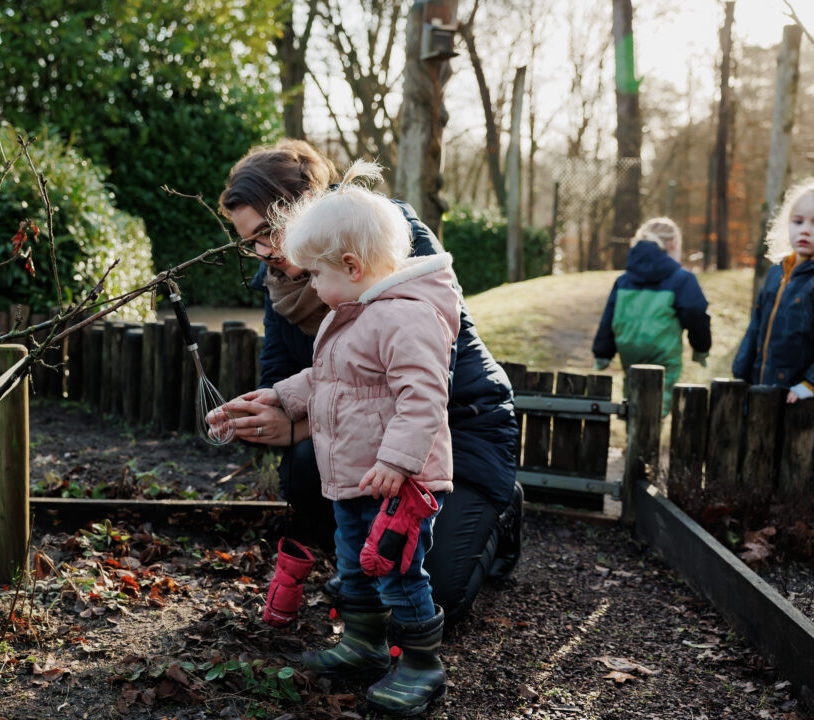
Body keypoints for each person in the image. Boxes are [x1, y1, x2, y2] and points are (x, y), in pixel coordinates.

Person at [216, 139, 521, 626]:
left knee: (430, 593)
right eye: (247, 241)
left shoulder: (383, 231)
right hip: (374, 437)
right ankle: (357, 554)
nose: (261, 251)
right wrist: (270, 412)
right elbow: (282, 376)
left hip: (456, 428)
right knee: (304, 467)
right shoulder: (280, 283)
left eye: (267, 232)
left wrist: (303, 422)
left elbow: (428, 380)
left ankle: (501, 512)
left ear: (307, 210)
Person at [237, 161, 454, 715]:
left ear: (351, 265)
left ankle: (422, 667)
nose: (309, 285)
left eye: (315, 276)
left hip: (397, 486)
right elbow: (326, 378)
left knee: (400, 572)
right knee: (356, 566)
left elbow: (424, 398)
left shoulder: (406, 319)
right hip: (357, 479)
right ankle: (363, 645)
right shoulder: (356, 315)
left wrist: (399, 462)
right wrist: (283, 397)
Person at [591, 217, 711, 415]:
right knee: (659, 400)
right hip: (663, 353)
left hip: (630, 350)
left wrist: (602, 353)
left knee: (633, 391)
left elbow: (609, 316)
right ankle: (648, 434)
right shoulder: (681, 279)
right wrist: (701, 348)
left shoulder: (624, 280)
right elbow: (695, 313)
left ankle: (634, 429)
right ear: (672, 244)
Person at [733, 179, 814, 401]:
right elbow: (756, 325)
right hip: (761, 385)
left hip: (798, 395)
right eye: (798, 222)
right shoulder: (776, 273)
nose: (805, 230)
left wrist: (809, 384)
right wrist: (740, 372)